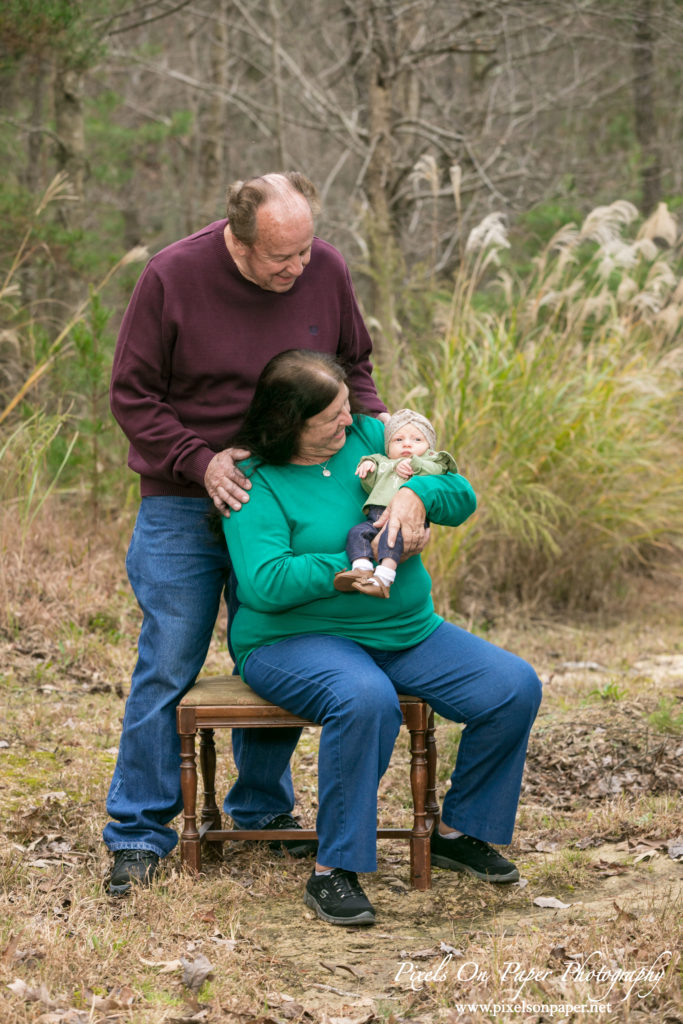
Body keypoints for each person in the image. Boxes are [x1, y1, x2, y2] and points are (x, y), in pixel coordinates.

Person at [105, 172, 429, 895]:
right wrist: (198, 460)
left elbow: (356, 370)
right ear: (238, 240)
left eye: (306, 250)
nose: (298, 269)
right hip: (188, 501)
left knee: (290, 643)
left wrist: (384, 463)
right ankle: (138, 834)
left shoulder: (326, 268)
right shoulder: (172, 275)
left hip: (301, 493)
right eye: (280, 258)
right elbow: (133, 395)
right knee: (168, 663)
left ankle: (258, 813)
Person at [224, 349, 542, 927]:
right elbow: (265, 582)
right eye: (333, 417)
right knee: (363, 697)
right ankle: (334, 871)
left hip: (405, 631)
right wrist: (346, 568)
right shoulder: (255, 481)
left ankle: (457, 832)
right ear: (290, 421)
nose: (351, 422)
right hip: (291, 640)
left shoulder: (374, 436)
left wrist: (417, 494)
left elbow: (461, 493)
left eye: (348, 409)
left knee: (512, 686)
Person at [333, 408, 457, 598]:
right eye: (398, 440)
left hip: (406, 520)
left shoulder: (429, 462)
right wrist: (368, 467)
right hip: (375, 517)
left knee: (391, 539)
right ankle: (361, 570)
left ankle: (384, 579)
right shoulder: (383, 462)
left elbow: (438, 468)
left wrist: (415, 464)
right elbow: (370, 484)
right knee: (357, 533)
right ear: (387, 446)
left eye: (417, 440)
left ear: (429, 447)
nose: (407, 444)